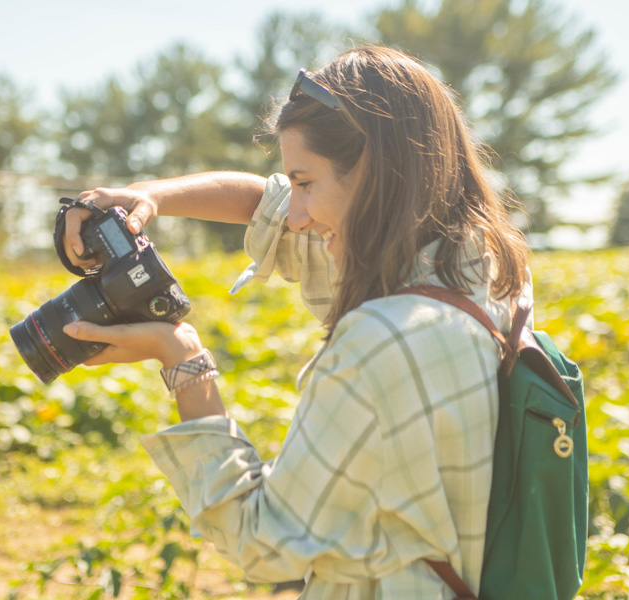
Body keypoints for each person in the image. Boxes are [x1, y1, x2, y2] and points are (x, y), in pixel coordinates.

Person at [61, 46, 532, 599]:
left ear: (381, 175)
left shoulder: (381, 341)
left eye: (306, 183)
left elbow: (263, 543)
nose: (298, 216)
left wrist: (183, 362)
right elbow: (267, 202)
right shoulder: (485, 273)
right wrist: (151, 197)